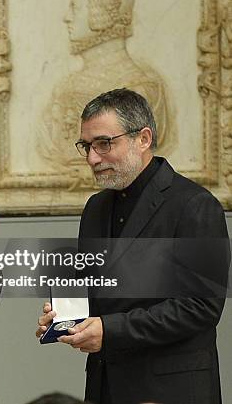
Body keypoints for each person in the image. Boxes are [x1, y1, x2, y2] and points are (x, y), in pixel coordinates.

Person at [36, 88, 229, 404]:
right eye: (86, 146)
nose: (92, 158)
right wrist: (63, 319)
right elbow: (93, 287)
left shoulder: (194, 204)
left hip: (170, 389)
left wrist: (109, 331)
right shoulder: (96, 207)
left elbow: (200, 307)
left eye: (104, 143)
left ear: (143, 138)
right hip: (105, 385)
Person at [38, 0, 175, 180]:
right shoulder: (97, 205)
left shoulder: (145, 87)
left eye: (74, 7)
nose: (67, 17)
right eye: (86, 147)